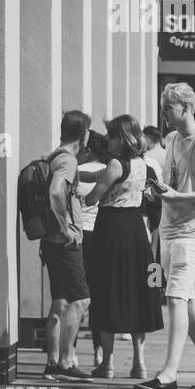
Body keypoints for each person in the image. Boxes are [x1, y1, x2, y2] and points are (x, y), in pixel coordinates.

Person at [136, 83, 195, 389]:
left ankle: (168, 374)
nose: (164, 114)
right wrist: (160, 191)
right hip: (168, 227)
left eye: (168, 108)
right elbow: (171, 181)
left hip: (191, 233)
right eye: (163, 108)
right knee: (184, 301)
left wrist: (180, 196)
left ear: (186, 108)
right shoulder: (172, 139)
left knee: (175, 297)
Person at [84, 116, 164, 377]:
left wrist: (79, 192)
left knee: (107, 290)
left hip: (111, 230)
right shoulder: (143, 164)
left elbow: (94, 197)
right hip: (135, 230)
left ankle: (107, 363)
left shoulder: (116, 164)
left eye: (112, 135)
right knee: (136, 292)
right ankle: (139, 363)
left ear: (122, 137)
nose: (108, 139)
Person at [40, 111, 94, 383]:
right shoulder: (68, 160)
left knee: (60, 302)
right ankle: (64, 362)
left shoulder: (54, 156)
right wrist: (65, 228)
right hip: (64, 243)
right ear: (83, 134)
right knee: (81, 299)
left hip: (50, 243)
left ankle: (52, 364)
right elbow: (55, 192)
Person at [77, 130, 108, 372]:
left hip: (80, 235)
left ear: (88, 149)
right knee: (97, 295)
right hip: (100, 235)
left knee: (77, 294)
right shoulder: (109, 170)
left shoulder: (77, 171)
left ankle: (72, 350)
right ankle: (99, 350)